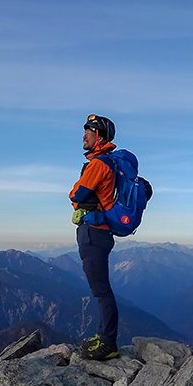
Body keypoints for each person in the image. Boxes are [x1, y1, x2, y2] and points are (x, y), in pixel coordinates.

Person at [69, 114, 120, 361]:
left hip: (93, 233)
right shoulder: (105, 163)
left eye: (88, 131)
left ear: (99, 135)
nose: (84, 135)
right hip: (100, 232)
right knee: (101, 289)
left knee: (101, 291)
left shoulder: (98, 164)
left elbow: (76, 193)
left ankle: (108, 341)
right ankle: (104, 336)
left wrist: (76, 197)